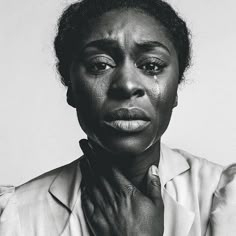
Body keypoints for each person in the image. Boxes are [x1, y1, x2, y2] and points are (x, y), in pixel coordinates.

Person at [0, 0, 236, 235]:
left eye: (152, 65)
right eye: (100, 65)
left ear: (175, 89)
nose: (127, 84)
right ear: (71, 88)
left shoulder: (226, 201)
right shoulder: (17, 217)